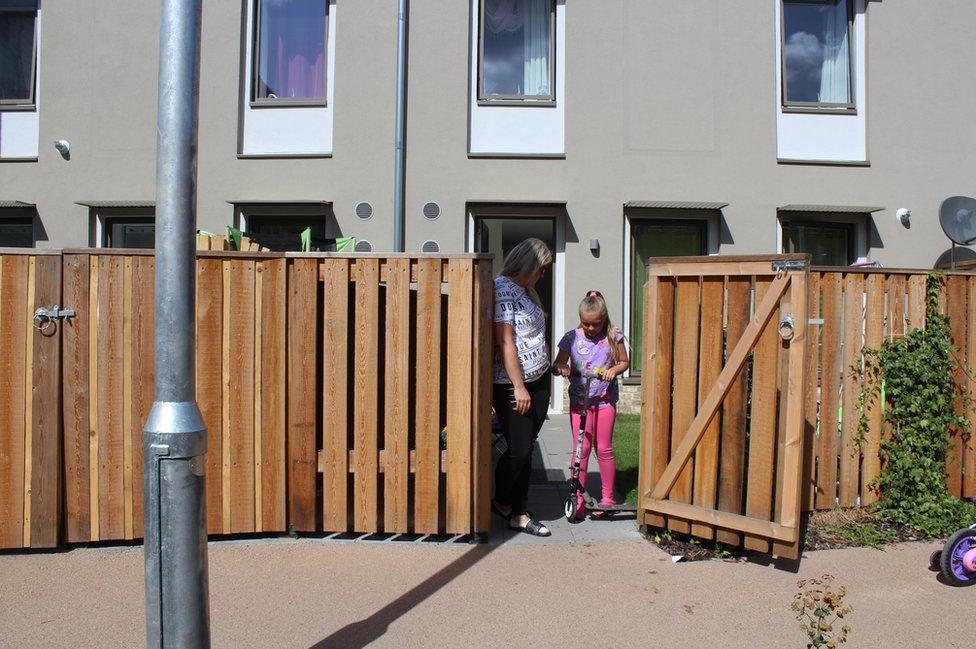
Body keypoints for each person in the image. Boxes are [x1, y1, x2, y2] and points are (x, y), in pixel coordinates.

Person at [491, 237, 553, 536]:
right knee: (518, 450)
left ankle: (514, 509)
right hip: (514, 384)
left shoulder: (526, 291)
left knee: (524, 447)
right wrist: (518, 386)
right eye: (541, 269)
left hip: (539, 380)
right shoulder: (502, 288)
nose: (543, 276)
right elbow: (505, 341)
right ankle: (508, 504)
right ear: (529, 265)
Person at [552, 290, 629, 519]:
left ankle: (607, 497)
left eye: (596, 324)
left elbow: (624, 362)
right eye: (586, 324)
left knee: (603, 448)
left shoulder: (613, 336)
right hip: (580, 402)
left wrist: (613, 370)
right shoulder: (571, 338)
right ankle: (577, 495)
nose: (591, 329)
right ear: (580, 319)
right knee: (581, 449)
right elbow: (558, 364)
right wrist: (562, 368)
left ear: (603, 319)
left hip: (604, 401)